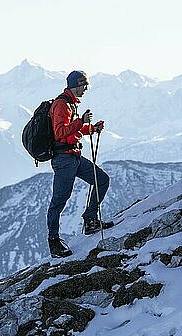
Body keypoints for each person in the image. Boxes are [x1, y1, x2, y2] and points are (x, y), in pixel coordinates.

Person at [47, 70, 114, 258]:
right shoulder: (62, 105)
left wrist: (91, 128)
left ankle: (90, 220)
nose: (86, 88)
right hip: (64, 160)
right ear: (75, 85)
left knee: (101, 180)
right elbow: (60, 132)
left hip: (73, 156)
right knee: (59, 200)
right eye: (84, 85)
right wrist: (80, 122)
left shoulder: (70, 104)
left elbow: (70, 130)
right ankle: (54, 242)